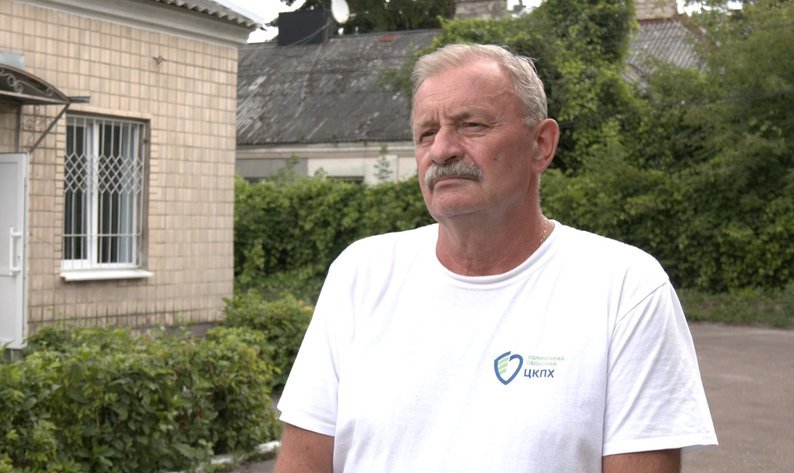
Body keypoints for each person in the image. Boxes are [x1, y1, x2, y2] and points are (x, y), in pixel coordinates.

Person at [274, 43, 717, 473]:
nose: (441, 150)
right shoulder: (360, 274)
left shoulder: (625, 289)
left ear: (541, 145)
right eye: (426, 133)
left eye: (471, 125)